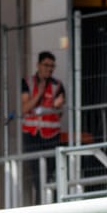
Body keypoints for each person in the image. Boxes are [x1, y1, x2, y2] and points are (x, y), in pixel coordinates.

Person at [19, 50, 69, 200]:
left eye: (52, 66)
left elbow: (60, 112)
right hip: (32, 135)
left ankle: (48, 203)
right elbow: (24, 108)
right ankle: (40, 203)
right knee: (36, 174)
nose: (49, 68)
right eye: (46, 65)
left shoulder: (57, 85)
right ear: (38, 65)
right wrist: (39, 93)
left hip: (51, 136)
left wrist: (57, 106)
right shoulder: (27, 82)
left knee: (49, 174)